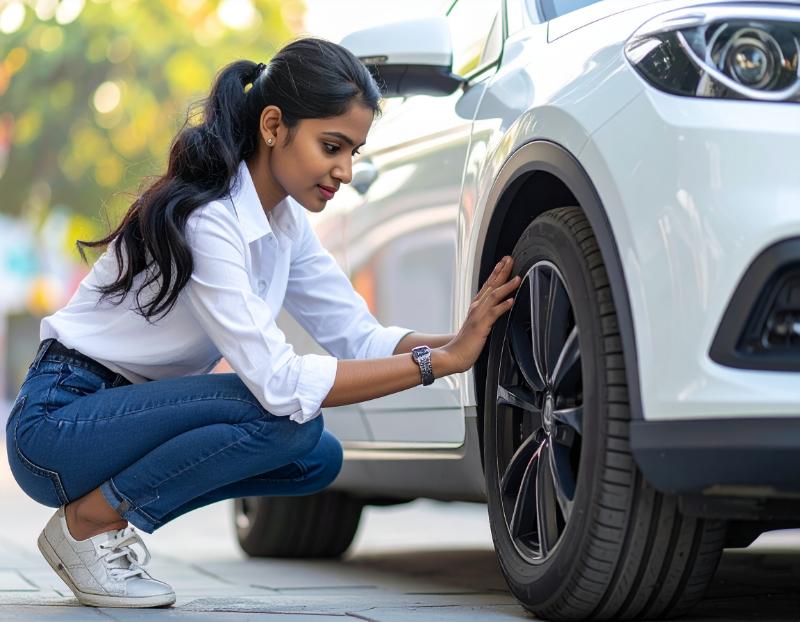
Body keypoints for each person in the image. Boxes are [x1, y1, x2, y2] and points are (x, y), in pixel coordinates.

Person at [4, 37, 519, 608]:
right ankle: (89, 526)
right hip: (57, 427)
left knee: (315, 459)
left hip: (126, 418)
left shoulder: (285, 225)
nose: (345, 170)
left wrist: (463, 337)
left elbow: (359, 335)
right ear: (274, 126)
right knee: (287, 420)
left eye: (354, 151)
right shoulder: (209, 218)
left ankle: (104, 516)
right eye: (332, 146)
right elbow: (277, 385)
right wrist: (437, 365)